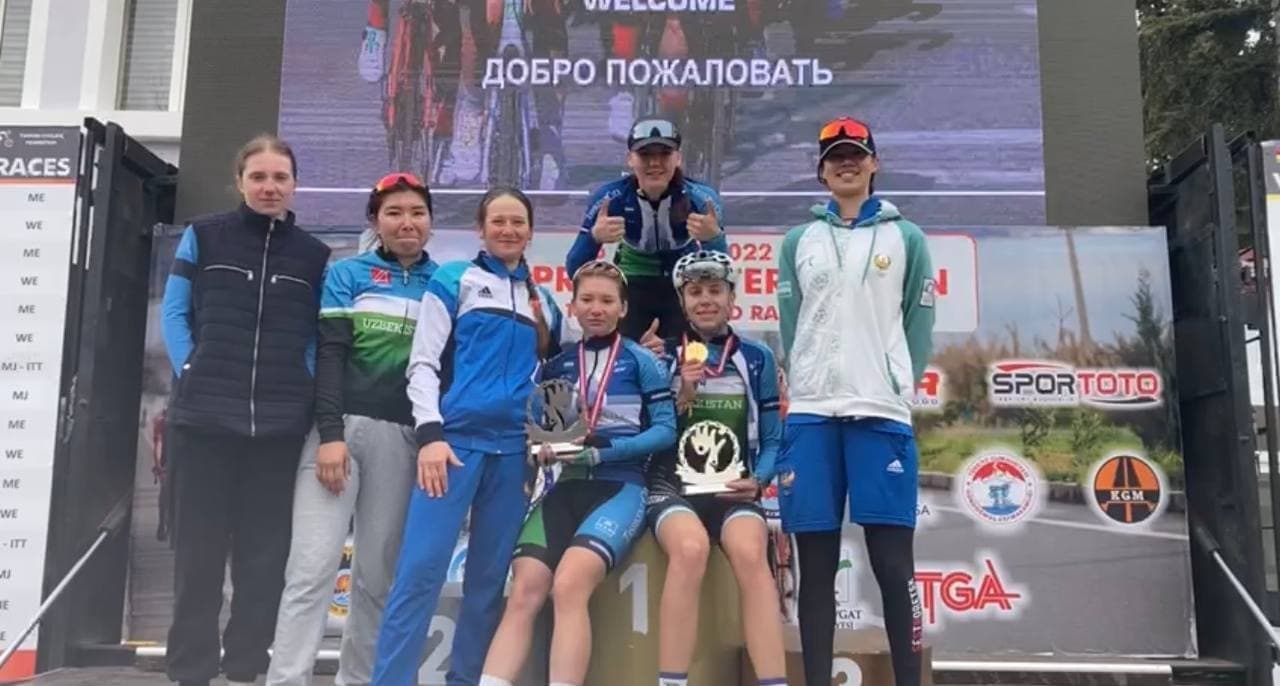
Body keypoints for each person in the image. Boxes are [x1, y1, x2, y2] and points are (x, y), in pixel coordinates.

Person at [372, 187, 563, 686]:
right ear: (481, 229)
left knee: (487, 583)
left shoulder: (543, 301)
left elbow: (558, 376)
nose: (508, 230)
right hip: (452, 448)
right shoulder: (455, 279)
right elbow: (423, 364)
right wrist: (431, 436)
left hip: (513, 457)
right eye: (498, 221)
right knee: (419, 573)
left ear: (530, 231)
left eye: (517, 222)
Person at [160, 135, 331, 686]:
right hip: (204, 424)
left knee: (264, 564)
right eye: (258, 177)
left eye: (280, 177)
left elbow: (314, 336)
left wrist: (302, 384)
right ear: (240, 182)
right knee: (198, 561)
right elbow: (174, 312)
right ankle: (190, 671)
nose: (269, 187)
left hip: (277, 430)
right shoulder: (204, 235)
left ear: (294, 185)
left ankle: (244, 669)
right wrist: (191, 369)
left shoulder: (313, 255)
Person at [774, 117, 936, 686]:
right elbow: (791, 325)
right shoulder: (798, 241)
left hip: (879, 414)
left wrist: (895, 383)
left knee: (893, 565)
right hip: (813, 415)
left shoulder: (906, 237)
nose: (846, 164)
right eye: (835, 157)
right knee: (816, 569)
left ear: (873, 164)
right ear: (821, 171)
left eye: (856, 155)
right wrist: (806, 378)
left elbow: (918, 322)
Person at [266, 173, 438, 686]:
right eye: (394, 213)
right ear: (375, 221)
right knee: (310, 570)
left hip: (401, 439)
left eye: (417, 213)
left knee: (377, 578)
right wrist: (331, 434)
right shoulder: (348, 274)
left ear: (430, 221)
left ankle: (359, 680)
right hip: (338, 433)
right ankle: (286, 680)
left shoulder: (444, 283)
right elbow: (330, 355)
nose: (406, 222)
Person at [479, 259, 678, 686]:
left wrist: (604, 453)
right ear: (572, 306)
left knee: (569, 585)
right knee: (525, 589)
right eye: (587, 299)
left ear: (623, 308)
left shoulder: (643, 361)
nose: (596, 308)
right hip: (566, 487)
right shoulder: (559, 365)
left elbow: (666, 431)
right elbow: (547, 432)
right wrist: (542, 449)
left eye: (606, 300)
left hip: (620, 487)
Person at [644, 250, 788, 686]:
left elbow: (774, 437)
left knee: (750, 551)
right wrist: (681, 392)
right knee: (690, 550)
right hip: (673, 486)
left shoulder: (758, 357)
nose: (706, 300)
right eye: (695, 292)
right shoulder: (659, 357)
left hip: (731, 488)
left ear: (732, 298)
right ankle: (671, 682)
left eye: (715, 290)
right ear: (682, 301)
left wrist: (759, 481)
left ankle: (774, 682)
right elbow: (651, 432)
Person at [566, 117, 727, 341]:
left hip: (683, 283)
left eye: (664, 154)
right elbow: (574, 268)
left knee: (689, 354)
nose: (654, 163)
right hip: (632, 284)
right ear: (630, 159)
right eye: (645, 155)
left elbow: (724, 273)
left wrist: (714, 238)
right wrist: (594, 238)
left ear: (678, 158)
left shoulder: (702, 198)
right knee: (627, 354)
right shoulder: (609, 197)